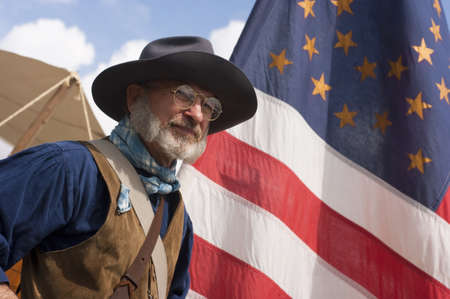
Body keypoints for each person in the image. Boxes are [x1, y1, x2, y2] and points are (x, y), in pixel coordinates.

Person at [0, 36, 257, 298]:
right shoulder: (71, 167)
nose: (197, 114)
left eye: (209, 105)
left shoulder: (178, 217)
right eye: (184, 94)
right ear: (135, 98)